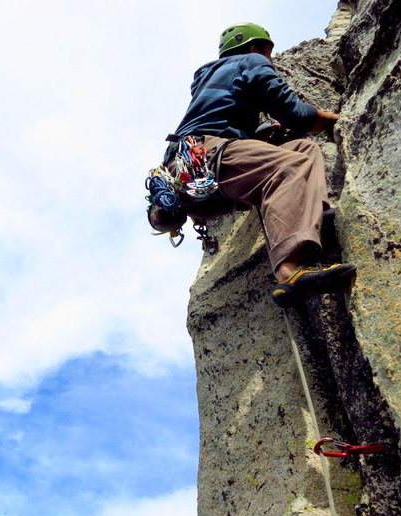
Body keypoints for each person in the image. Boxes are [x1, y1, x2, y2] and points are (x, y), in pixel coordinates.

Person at [151, 22, 356, 307]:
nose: (269, 60)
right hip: (209, 156)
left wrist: (258, 132)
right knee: (291, 165)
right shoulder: (251, 60)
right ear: (255, 47)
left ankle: (311, 221)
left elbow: (222, 119)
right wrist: (338, 120)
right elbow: (295, 113)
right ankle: (290, 272)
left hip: (194, 176)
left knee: (303, 149)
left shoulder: (209, 80)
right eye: (268, 53)